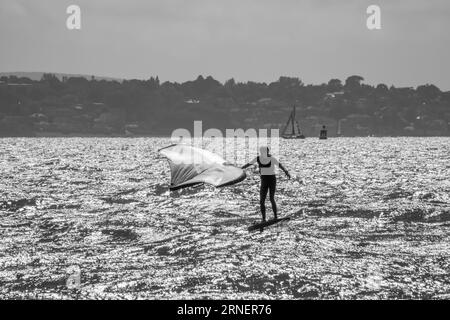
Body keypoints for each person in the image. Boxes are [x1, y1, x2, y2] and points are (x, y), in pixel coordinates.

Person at [241, 146, 291, 222]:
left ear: (267, 152)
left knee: (271, 198)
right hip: (264, 180)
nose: (265, 153)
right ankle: (264, 219)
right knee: (261, 201)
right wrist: (240, 168)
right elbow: (248, 164)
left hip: (272, 180)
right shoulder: (258, 158)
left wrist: (286, 172)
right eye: (263, 152)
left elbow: (280, 165)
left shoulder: (272, 158)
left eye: (266, 152)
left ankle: (275, 217)